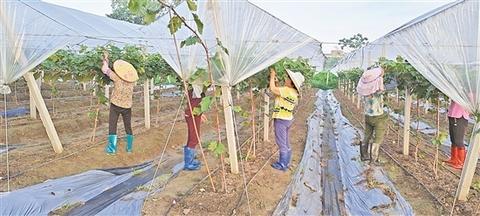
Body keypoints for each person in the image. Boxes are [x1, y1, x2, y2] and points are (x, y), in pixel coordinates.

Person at [101, 52, 138, 155]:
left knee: (112, 125)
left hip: (115, 106)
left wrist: (106, 60)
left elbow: (105, 70)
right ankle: (129, 148)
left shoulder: (117, 78)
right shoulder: (132, 82)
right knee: (128, 126)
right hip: (127, 107)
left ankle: (112, 149)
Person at [269, 67, 305, 171]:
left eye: (288, 78)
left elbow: (273, 90)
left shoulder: (286, 90)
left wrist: (272, 77)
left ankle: (282, 164)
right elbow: (278, 92)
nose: (286, 78)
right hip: (288, 119)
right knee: (285, 141)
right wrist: (275, 82)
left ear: (291, 82)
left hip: (281, 119)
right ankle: (287, 161)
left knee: (281, 142)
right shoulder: (293, 93)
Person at [357, 67, 388, 164]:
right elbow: (382, 87)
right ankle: (374, 159)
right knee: (378, 138)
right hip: (379, 117)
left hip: (368, 116)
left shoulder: (364, 90)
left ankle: (364, 155)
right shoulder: (378, 90)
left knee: (367, 134)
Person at [183, 84, 208, 170]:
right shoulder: (197, 87)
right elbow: (195, 102)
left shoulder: (194, 88)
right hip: (192, 115)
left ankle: (190, 161)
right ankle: (188, 164)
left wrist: (201, 113)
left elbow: (195, 102)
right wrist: (198, 113)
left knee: (192, 137)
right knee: (194, 138)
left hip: (193, 114)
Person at [444, 100, 469, 169]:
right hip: (453, 114)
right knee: (453, 139)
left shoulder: (470, 92)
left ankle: (460, 162)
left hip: (460, 116)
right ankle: (453, 159)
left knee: (458, 141)